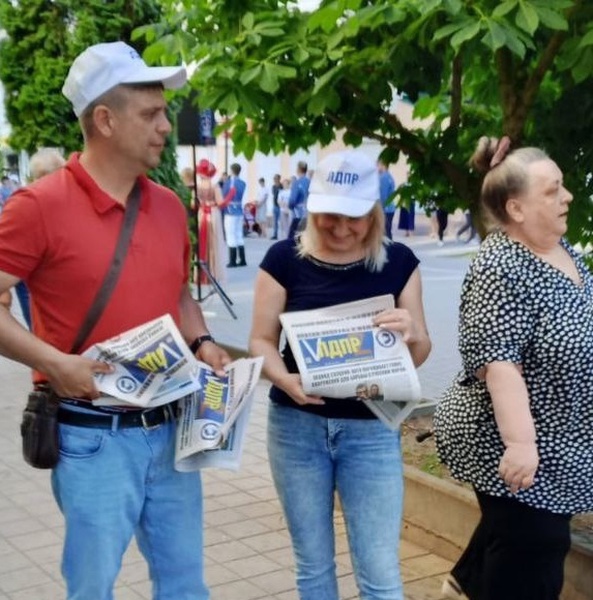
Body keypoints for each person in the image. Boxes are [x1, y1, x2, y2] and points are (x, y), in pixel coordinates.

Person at [0, 41, 231, 600]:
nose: (165, 125)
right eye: (151, 113)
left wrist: (202, 341)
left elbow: (177, 293)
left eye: (164, 112)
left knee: (184, 585)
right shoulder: (37, 206)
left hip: (173, 428)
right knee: (92, 588)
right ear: (104, 119)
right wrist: (53, 363)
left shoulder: (170, 205)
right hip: (91, 437)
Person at [249, 149, 431, 600]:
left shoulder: (399, 262)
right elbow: (260, 341)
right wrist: (283, 379)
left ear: (374, 213)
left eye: (355, 218)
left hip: (370, 431)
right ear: (312, 210)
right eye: (330, 216)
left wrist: (411, 334)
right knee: (312, 567)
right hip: (296, 426)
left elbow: (423, 349)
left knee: (380, 573)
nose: (342, 228)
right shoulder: (282, 259)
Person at [434, 136, 593, 600]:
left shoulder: (565, 252)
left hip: (561, 438)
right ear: (517, 209)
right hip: (507, 439)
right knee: (537, 546)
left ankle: (464, 583)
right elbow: (499, 365)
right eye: (553, 190)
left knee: (519, 532)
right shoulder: (500, 267)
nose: (567, 197)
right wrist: (521, 444)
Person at [195, 158, 226, 283]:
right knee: (214, 242)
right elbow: (220, 203)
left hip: (202, 213)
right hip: (213, 213)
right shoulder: (215, 186)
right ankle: (213, 272)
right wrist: (229, 197)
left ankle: (200, 274)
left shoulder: (198, 187)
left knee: (202, 241)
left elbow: (195, 202)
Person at [222, 162, 247, 267]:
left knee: (230, 235)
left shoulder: (229, 182)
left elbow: (224, 195)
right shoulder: (242, 183)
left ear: (232, 170)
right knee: (238, 234)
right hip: (239, 210)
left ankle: (232, 261)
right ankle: (242, 259)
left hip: (230, 210)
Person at [287, 160, 310, 240]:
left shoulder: (296, 183)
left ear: (299, 169)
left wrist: (290, 206)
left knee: (293, 239)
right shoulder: (310, 182)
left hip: (298, 214)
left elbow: (292, 200)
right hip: (308, 214)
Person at [378, 158, 396, 239]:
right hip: (390, 208)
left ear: (383, 165)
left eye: (377, 165)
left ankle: (389, 250)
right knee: (387, 231)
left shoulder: (383, 177)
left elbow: (383, 196)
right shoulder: (389, 176)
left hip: (385, 209)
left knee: (385, 233)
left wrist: (379, 209)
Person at [270, 173, 282, 239]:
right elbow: (273, 195)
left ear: (279, 179)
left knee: (281, 221)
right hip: (275, 206)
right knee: (275, 222)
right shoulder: (273, 187)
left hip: (280, 206)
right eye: (274, 178)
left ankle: (283, 234)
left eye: (276, 178)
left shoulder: (281, 186)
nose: (274, 180)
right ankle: (275, 235)